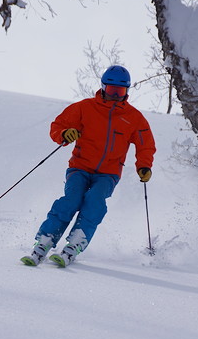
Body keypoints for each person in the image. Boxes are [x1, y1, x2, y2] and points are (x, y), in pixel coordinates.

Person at [22, 65, 156, 267]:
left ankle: (74, 244)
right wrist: (65, 134)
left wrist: (144, 166)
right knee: (71, 200)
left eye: (120, 92)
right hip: (80, 167)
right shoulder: (85, 108)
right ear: (103, 87)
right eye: (112, 91)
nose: (115, 96)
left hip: (108, 174)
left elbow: (146, 146)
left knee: (94, 201)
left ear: (127, 91)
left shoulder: (134, 118)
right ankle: (45, 241)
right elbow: (58, 126)